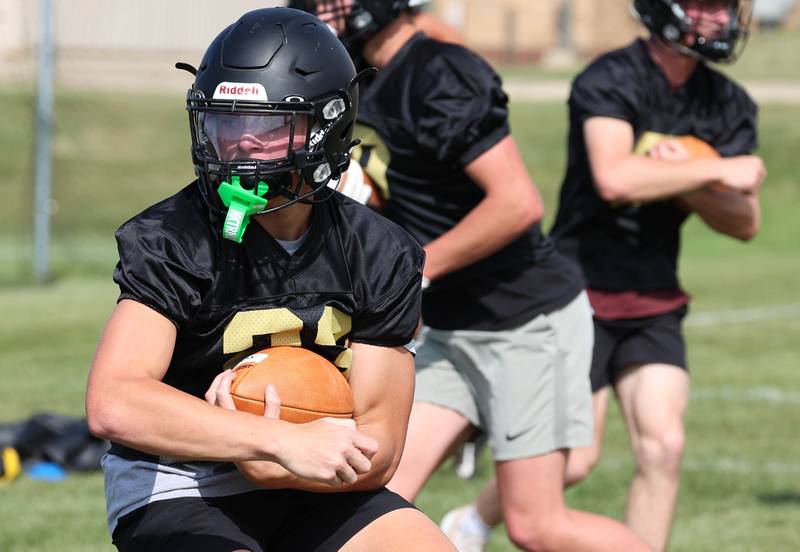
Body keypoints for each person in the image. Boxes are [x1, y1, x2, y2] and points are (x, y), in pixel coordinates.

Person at [85, 8, 457, 552]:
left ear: (326, 127)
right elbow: (114, 401)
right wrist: (272, 441)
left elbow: (379, 443)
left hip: (321, 478)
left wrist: (288, 460)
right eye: (226, 122)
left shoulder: (379, 252)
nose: (241, 143)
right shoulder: (176, 236)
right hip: (183, 483)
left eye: (266, 125)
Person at [292, 2, 652, 551]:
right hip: (449, 329)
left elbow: (516, 203)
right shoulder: (360, 78)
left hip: (524, 323)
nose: (318, 11)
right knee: (363, 502)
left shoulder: (438, 72)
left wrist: (410, 273)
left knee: (538, 526)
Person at [443, 1, 765, 550]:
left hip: (655, 297)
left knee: (664, 445)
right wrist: (710, 167)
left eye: (725, 6)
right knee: (574, 461)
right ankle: (471, 522)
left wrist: (682, 178)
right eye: (703, 4)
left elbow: (746, 221)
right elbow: (614, 176)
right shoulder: (610, 78)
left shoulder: (727, 102)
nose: (718, 18)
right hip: (578, 293)